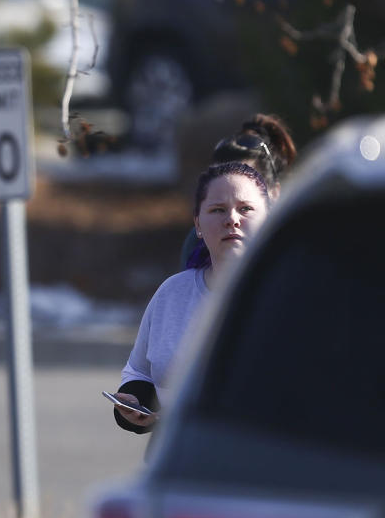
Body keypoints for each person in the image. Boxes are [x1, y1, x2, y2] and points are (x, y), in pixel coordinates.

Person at [112, 162, 270, 433]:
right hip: (183, 465)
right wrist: (136, 403)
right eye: (218, 209)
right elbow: (139, 372)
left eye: (245, 209)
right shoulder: (172, 293)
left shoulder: (293, 294)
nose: (232, 219)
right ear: (198, 224)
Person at [180, 113, 295, 269]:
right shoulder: (195, 244)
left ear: (274, 193)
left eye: (246, 206)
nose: (231, 218)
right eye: (221, 186)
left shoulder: (296, 251)